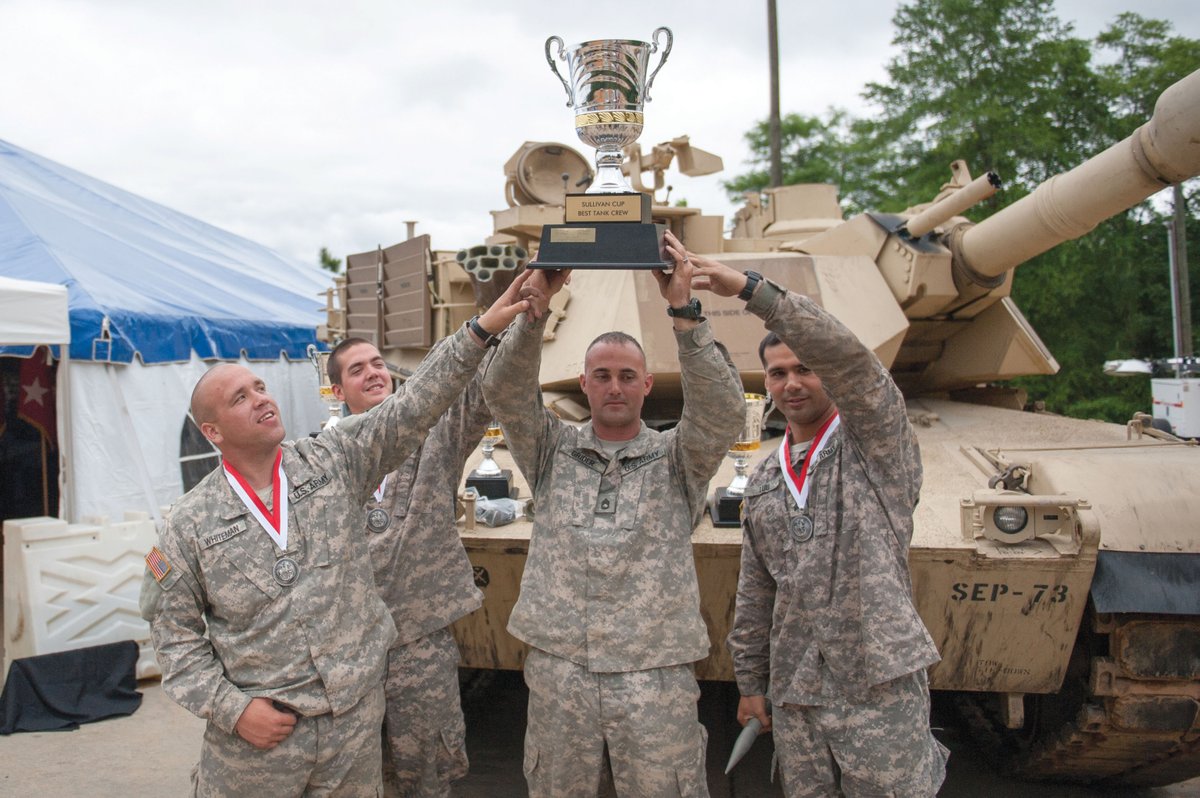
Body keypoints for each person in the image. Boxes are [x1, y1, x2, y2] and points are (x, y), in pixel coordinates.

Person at [139, 272, 534, 797]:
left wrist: (483, 328)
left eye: (260, 387)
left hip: (351, 730)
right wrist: (234, 710)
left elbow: (416, 405)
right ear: (212, 432)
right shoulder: (187, 524)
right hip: (265, 740)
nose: (261, 398)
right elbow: (174, 639)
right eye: (239, 398)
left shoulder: (330, 463)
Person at [481, 232, 744, 798]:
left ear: (647, 385)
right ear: (584, 384)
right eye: (602, 375)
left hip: (653, 672)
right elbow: (503, 389)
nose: (615, 386)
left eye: (628, 375)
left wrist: (683, 313)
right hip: (562, 669)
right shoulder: (551, 448)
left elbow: (723, 411)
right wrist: (533, 309)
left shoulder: (679, 458)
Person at [686, 254, 948, 796]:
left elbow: (854, 363)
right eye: (778, 373)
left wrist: (753, 293)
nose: (792, 383)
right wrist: (752, 681)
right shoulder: (762, 480)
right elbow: (757, 592)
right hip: (797, 689)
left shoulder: (875, 447)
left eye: (805, 368)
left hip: (877, 684)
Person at [326, 336, 488, 797]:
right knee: (361, 774)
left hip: (420, 645)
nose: (374, 372)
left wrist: (508, 315)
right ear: (338, 391)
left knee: (429, 774)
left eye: (379, 363)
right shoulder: (323, 461)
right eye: (357, 369)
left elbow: (474, 394)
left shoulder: (434, 437)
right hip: (353, 651)